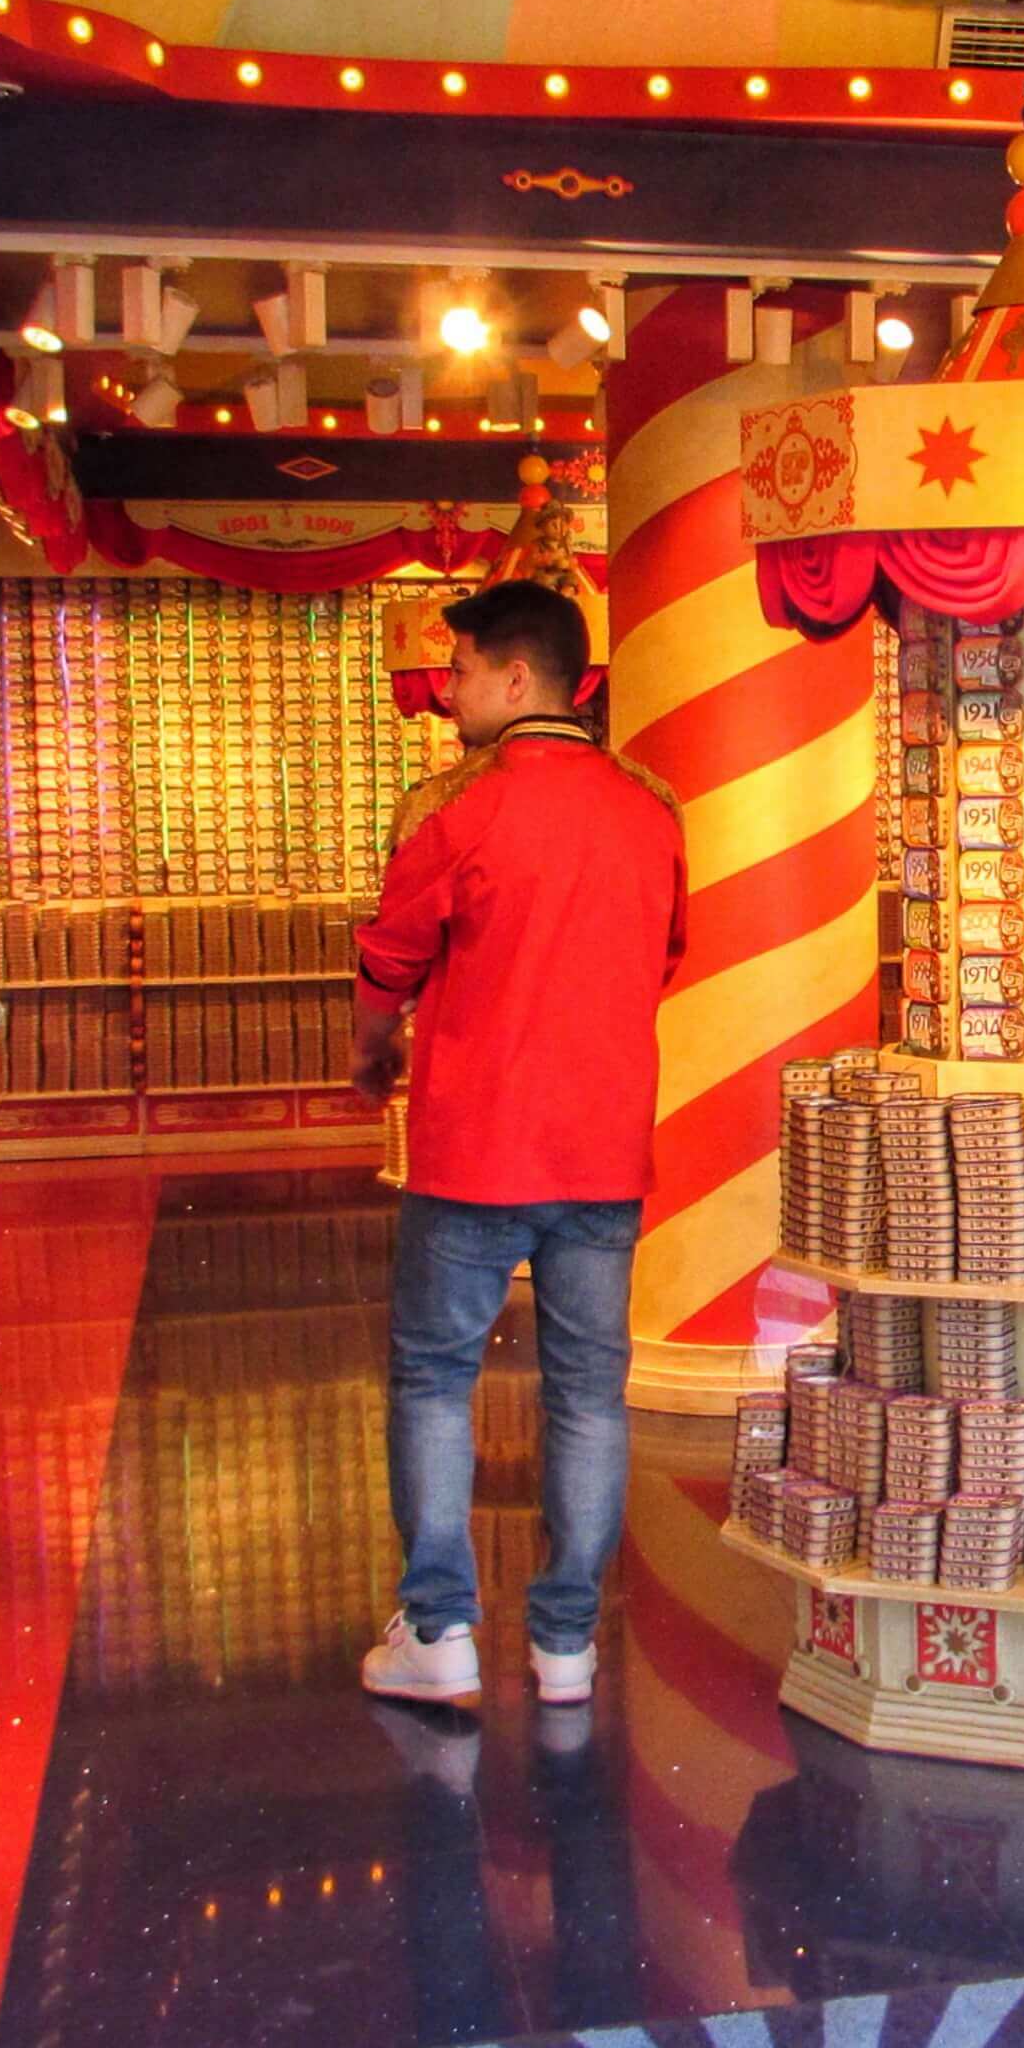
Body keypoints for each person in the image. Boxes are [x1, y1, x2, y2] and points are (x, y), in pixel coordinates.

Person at [352, 578, 688, 1713]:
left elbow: (389, 959)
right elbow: (668, 954)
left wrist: (372, 1048)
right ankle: (565, 1647)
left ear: (513, 677)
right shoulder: (653, 808)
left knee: (436, 1379)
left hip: (471, 1148)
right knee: (590, 1392)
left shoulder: (452, 806)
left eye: (456, 674)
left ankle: (442, 1629)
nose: (446, 696)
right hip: (602, 1148)